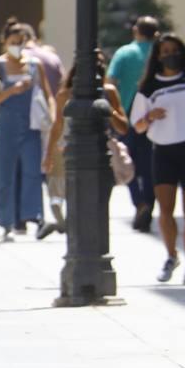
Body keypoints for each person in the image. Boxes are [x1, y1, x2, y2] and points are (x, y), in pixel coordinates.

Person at [129, 35, 185, 285]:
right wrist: (151, 116)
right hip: (164, 152)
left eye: (175, 50)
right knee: (165, 211)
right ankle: (171, 255)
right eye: (165, 51)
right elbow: (138, 126)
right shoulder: (148, 87)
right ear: (157, 56)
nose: (170, 55)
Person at [42, 51, 129, 238]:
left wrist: (108, 109)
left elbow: (123, 127)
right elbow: (57, 125)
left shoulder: (109, 92)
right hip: (75, 153)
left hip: (103, 153)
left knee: (100, 201)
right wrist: (49, 154)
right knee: (76, 199)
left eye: (99, 64)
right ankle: (75, 233)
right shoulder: (65, 94)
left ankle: (94, 235)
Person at [0, 21, 55, 240]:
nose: (17, 45)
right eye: (12, 42)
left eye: (20, 42)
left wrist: (53, 116)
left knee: (33, 171)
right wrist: (12, 91)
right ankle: (6, 222)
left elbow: (48, 94)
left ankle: (34, 216)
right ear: (4, 42)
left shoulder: (35, 65)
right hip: (6, 124)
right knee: (5, 173)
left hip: (31, 124)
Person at [107, 16, 159, 232]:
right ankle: (148, 202)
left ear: (136, 30)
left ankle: (139, 203)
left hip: (126, 116)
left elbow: (110, 83)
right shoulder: (158, 53)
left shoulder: (124, 53)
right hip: (156, 116)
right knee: (149, 166)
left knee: (126, 163)